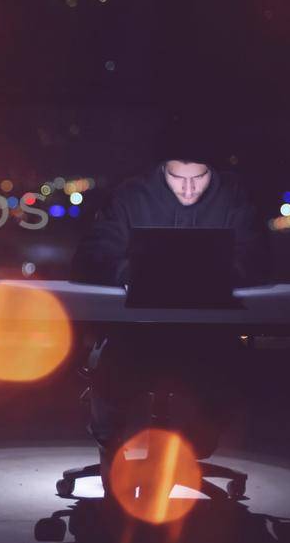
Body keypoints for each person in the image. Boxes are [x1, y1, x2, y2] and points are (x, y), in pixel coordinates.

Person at [70, 137, 273, 489]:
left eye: (199, 178)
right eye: (179, 179)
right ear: (163, 171)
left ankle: (199, 440)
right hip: (138, 333)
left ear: (213, 173)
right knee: (114, 366)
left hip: (208, 336)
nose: (189, 188)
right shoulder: (131, 196)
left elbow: (257, 256)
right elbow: (95, 253)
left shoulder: (233, 197)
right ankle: (110, 447)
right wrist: (131, 276)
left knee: (221, 372)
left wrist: (221, 277)